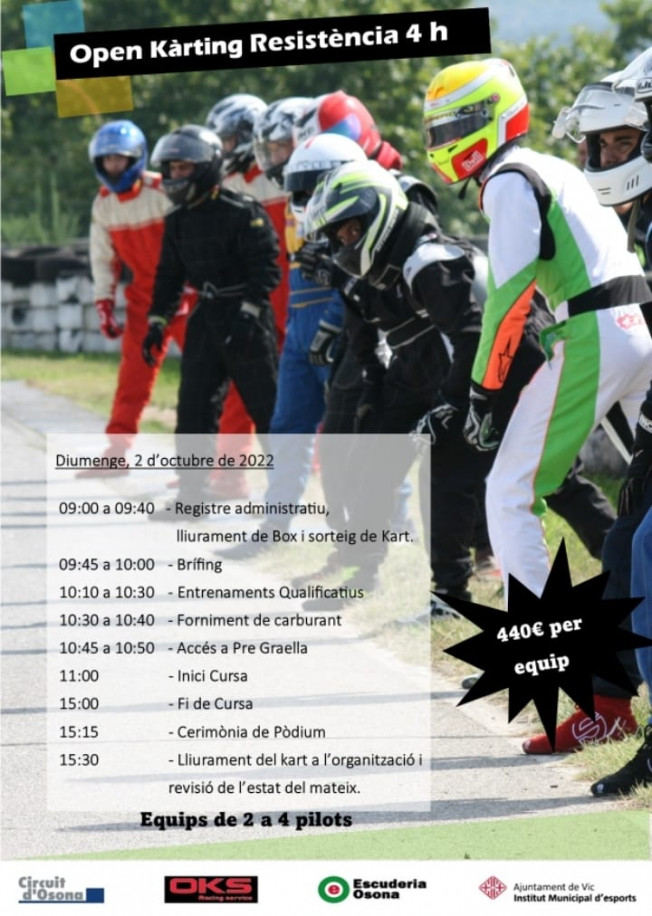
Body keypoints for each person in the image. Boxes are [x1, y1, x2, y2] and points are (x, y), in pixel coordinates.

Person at [422, 58, 652, 749]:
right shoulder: (552, 167)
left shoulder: (509, 180)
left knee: (507, 491)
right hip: (633, 326)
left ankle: (554, 671)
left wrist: (483, 391)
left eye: (458, 125)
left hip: (591, 333)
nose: (446, 140)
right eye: (441, 128)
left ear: (494, 120)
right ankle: (607, 700)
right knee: (633, 522)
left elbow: (509, 295)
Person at [303, 161, 618, 614]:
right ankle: (409, 584)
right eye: (339, 236)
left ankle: (615, 567)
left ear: (380, 216)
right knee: (423, 470)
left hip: (512, 366)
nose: (344, 245)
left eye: (351, 231)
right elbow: (405, 348)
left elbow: (471, 337)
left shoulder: (427, 261)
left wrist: (452, 405)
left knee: (535, 480)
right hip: (482, 368)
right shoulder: (388, 273)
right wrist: (388, 403)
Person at [522, 66, 652, 754]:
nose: (607, 157)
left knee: (641, 544)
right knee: (626, 540)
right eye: (599, 145)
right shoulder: (641, 213)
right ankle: (610, 707)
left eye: (622, 140)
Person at [141, 125, 280, 505]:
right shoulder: (177, 220)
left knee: (267, 410)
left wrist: (248, 314)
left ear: (206, 168)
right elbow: (168, 277)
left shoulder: (242, 211)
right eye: (171, 169)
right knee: (193, 411)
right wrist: (156, 324)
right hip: (206, 319)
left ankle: (285, 498)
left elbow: (267, 267)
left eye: (183, 168)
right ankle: (191, 497)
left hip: (248, 320)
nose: (175, 176)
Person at [81, 119, 188, 475]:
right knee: (132, 376)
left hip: (186, 293)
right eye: (107, 160)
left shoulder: (164, 189)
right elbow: (102, 258)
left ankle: (215, 464)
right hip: (143, 298)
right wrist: (103, 303)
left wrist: (195, 282)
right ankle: (117, 452)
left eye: (120, 159)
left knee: (207, 378)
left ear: (135, 158)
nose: (114, 166)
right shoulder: (103, 205)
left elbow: (193, 237)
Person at [204, 93, 289, 499]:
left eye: (227, 140)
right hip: (253, 300)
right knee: (240, 384)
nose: (223, 149)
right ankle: (230, 475)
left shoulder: (284, 172)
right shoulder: (225, 185)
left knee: (307, 388)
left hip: (296, 298)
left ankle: (308, 470)